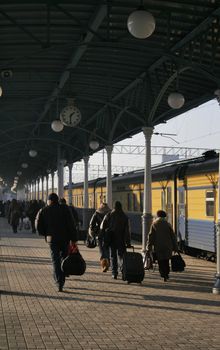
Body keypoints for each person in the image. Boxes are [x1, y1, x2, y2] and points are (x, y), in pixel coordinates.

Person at [35, 193, 78, 292]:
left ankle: (59, 282)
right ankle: (62, 279)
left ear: (49, 201)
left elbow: (37, 225)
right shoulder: (65, 209)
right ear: (57, 200)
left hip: (52, 240)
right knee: (64, 258)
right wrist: (74, 238)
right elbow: (72, 224)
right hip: (64, 239)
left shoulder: (44, 210)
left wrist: (45, 234)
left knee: (55, 260)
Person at [101, 201, 131, 279]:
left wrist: (104, 235)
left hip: (112, 238)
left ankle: (114, 273)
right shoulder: (124, 216)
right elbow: (127, 231)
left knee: (113, 256)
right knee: (122, 256)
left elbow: (102, 226)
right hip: (121, 239)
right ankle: (123, 271)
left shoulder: (109, 214)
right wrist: (128, 242)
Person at [146, 210, 178, 282]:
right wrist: (175, 247)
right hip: (168, 246)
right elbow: (173, 236)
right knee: (166, 260)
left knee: (161, 261)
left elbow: (151, 236)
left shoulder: (154, 224)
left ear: (158, 216)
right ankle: (166, 274)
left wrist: (149, 246)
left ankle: (163, 274)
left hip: (158, 246)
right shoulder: (168, 224)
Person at [89, 202, 111, 272]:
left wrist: (94, 232)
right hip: (108, 234)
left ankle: (104, 265)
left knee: (102, 250)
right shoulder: (110, 214)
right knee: (107, 249)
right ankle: (108, 263)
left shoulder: (96, 213)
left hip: (100, 234)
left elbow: (91, 224)